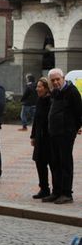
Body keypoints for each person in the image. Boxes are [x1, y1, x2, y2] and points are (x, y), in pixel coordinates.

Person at [44, 68, 82, 204]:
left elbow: (79, 112)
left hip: (65, 134)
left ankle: (67, 193)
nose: (55, 82)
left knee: (65, 163)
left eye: (57, 79)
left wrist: (74, 129)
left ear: (63, 78)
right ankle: (56, 191)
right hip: (54, 133)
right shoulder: (55, 93)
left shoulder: (72, 92)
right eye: (52, 80)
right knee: (55, 163)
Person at [30, 77, 54, 200]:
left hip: (50, 139)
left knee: (53, 165)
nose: (37, 89)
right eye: (37, 86)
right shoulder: (39, 100)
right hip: (40, 137)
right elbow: (36, 120)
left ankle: (56, 190)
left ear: (46, 88)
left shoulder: (51, 101)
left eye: (40, 87)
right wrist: (33, 136)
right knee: (40, 163)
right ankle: (44, 188)